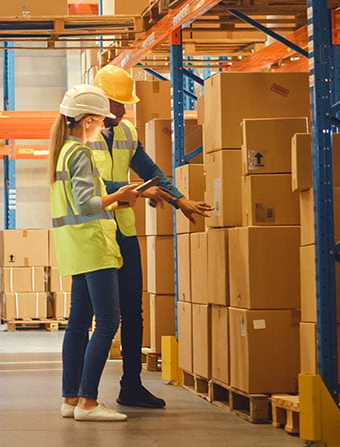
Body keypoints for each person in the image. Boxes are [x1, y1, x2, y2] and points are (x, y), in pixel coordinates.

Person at [91, 65, 214, 409]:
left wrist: (179, 199)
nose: (123, 110)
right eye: (117, 104)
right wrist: (139, 192)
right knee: (98, 316)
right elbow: (94, 188)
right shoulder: (84, 135)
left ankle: (131, 385)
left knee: (133, 311)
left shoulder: (127, 132)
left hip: (124, 232)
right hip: (94, 233)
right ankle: (85, 395)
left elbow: (152, 173)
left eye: (123, 104)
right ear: (101, 102)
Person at [50, 83, 140, 422]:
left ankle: (70, 398)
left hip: (75, 245)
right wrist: (121, 196)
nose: (105, 126)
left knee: (77, 323)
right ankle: (88, 401)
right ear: (87, 120)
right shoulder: (81, 153)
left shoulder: (61, 152)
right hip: (94, 244)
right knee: (108, 320)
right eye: (102, 121)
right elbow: (87, 203)